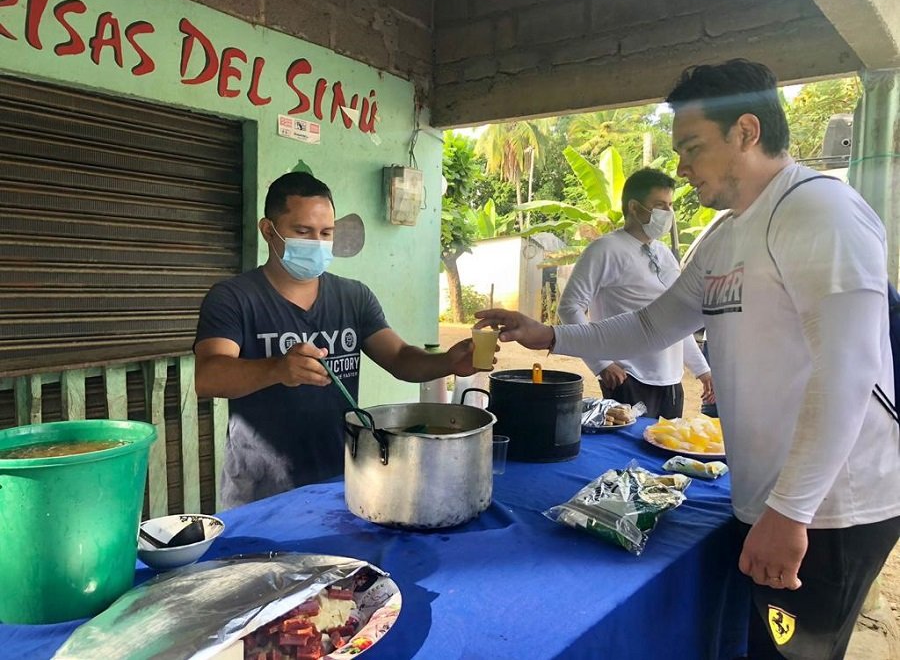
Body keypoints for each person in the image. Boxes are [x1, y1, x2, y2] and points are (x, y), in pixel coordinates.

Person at [476, 59, 900, 659]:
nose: (680, 168)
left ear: (746, 133)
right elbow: (653, 323)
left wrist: (789, 511)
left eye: (692, 147)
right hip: (772, 497)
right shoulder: (725, 236)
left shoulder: (819, 212)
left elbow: (849, 369)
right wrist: (547, 335)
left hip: (830, 509)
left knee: (790, 654)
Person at [194, 171, 482, 508]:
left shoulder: (353, 297)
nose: (316, 243)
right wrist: (277, 369)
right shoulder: (233, 298)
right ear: (268, 230)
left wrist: (447, 361)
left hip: (343, 479)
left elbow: (400, 357)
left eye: (326, 233)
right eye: (302, 232)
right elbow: (209, 376)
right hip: (261, 490)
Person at [557, 168, 713, 418]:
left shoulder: (665, 255)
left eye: (670, 205)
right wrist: (602, 364)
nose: (668, 213)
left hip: (671, 381)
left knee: (665, 454)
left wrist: (702, 370)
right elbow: (569, 308)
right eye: (660, 205)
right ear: (634, 207)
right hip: (627, 378)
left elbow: (676, 320)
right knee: (626, 455)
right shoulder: (605, 250)